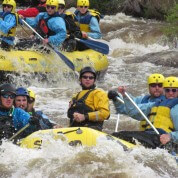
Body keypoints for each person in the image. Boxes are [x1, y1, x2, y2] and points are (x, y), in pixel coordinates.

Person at [113, 76, 178, 151]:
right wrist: (125, 96)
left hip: (164, 141)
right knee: (119, 135)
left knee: (121, 136)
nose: (170, 93)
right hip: (151, 135)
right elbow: (133, 111)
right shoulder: (155, 104)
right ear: (164, 91)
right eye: (167, 90)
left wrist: (170, 136)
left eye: (174, 90)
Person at [67, 66, 110, 131]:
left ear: (94, 80)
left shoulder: (99, 93)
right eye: (85, 77)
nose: (88, 79)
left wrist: (85, 116)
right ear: (80, 79)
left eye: (91, 78)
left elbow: (105, 114)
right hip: (75, 130)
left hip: (91, 131)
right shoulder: (75, 96)